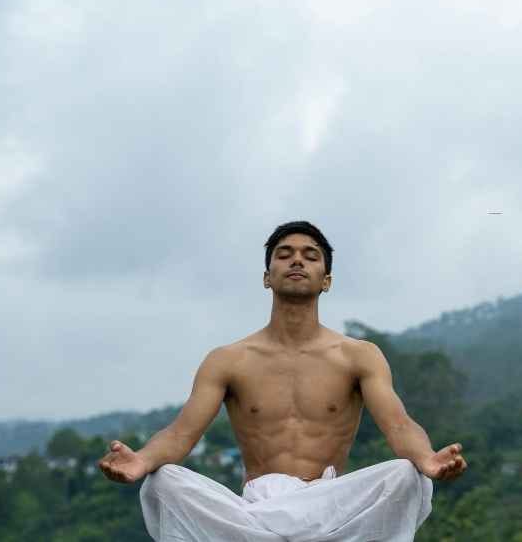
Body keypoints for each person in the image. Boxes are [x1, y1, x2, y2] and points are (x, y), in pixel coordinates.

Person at [99, 220, 467, 541]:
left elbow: (399, 425)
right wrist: (141, 460)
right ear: (266, 276)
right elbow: (180, 435)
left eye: (310, 255)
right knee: (162, 482)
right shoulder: (229, 359)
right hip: (252, 517)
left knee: (407, 475)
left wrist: (427, 459)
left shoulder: (357, 355)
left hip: (331, 510)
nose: (296, 260)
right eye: (284, 253)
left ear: (326, 280)